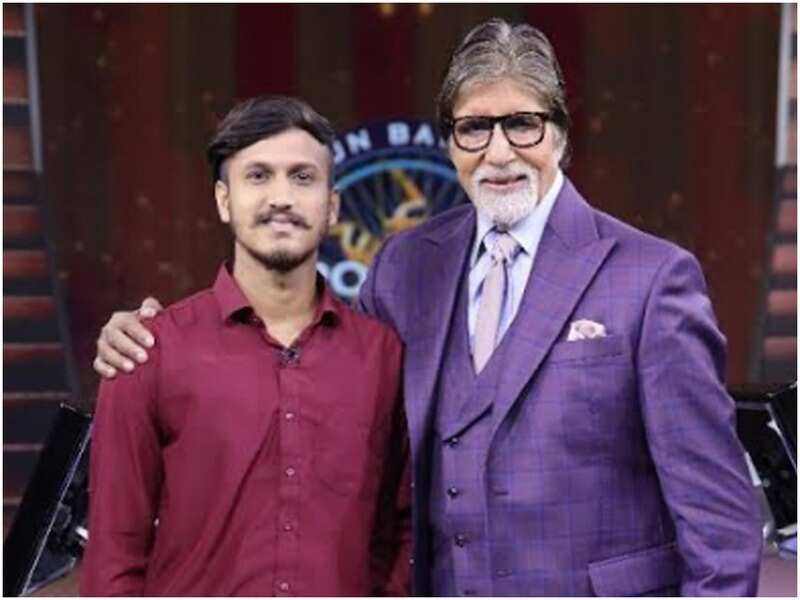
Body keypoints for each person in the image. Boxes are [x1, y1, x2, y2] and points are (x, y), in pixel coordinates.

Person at [94, 19, 763, 597]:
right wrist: (150, 333)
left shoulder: (652, 278)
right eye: (474, 128)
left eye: (522, 123)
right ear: (449, 142)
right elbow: (312, 355)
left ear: (560, 133)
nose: (499, 152)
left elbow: (719, 520)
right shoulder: (407, 266)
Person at [81, 96, 410, 596]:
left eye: (302, 177)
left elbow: (403, 531)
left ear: (332, 206)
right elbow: (113, 556)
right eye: (258, 176)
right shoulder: (147, 352)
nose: (281, 197)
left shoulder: (383, 357)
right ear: (223, 200)